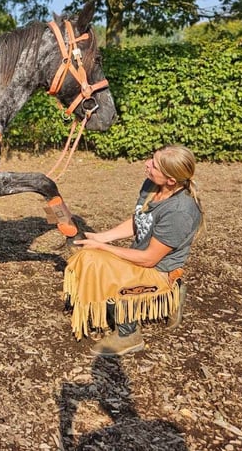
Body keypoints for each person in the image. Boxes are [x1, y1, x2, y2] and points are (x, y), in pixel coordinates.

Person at [63, 144, 205, 356]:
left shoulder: (179, 212)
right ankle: (158, 302)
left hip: (157, 269)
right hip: (141, 259)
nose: (147, 164)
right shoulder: (152, 185)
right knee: (88, 254)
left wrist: (103, 247)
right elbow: (141, 220)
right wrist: (102, 237)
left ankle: (128, 334)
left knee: (99, 266)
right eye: (151, 159)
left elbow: (149, 259)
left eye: (154, 165)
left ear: (171, 180)